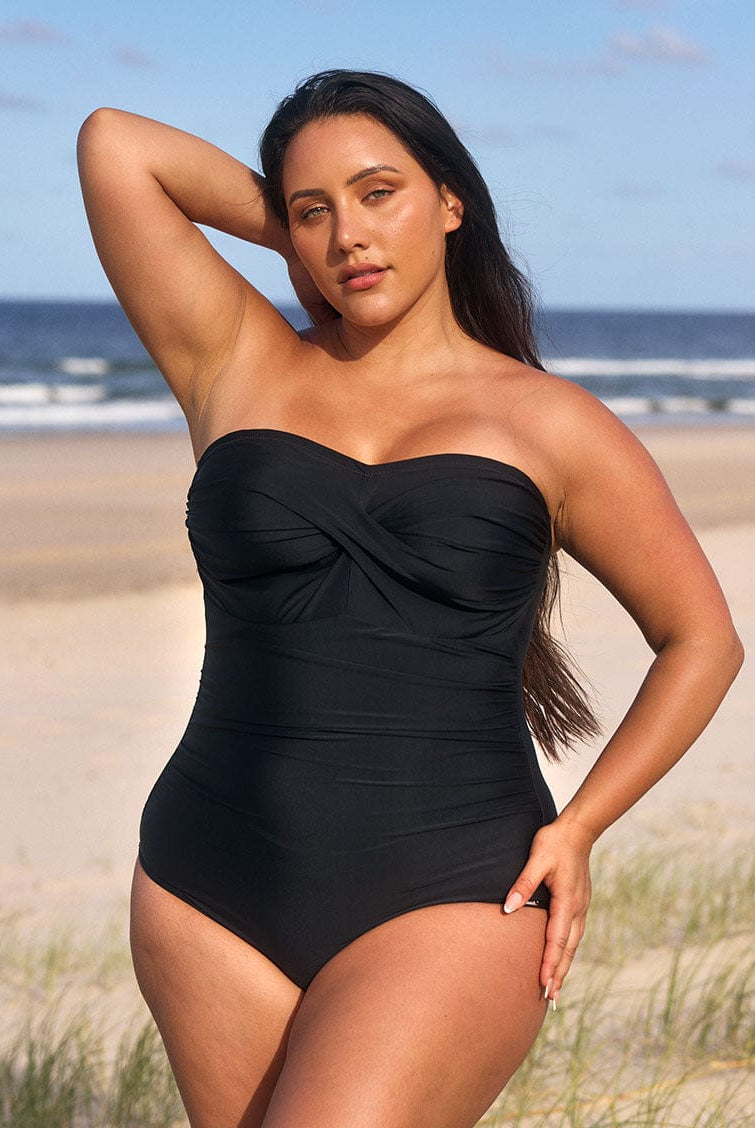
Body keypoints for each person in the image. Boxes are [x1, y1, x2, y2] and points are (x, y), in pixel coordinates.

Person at [77, 70, 742, 1128]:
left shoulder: (551, 423)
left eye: (378, 193)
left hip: (453, 885)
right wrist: (307, 236)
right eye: (313, 211)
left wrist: (580, 827)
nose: (348, 234)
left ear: (451, 200)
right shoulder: (237, 359)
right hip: (205, 882)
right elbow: (116, 145)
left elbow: (699, 638)